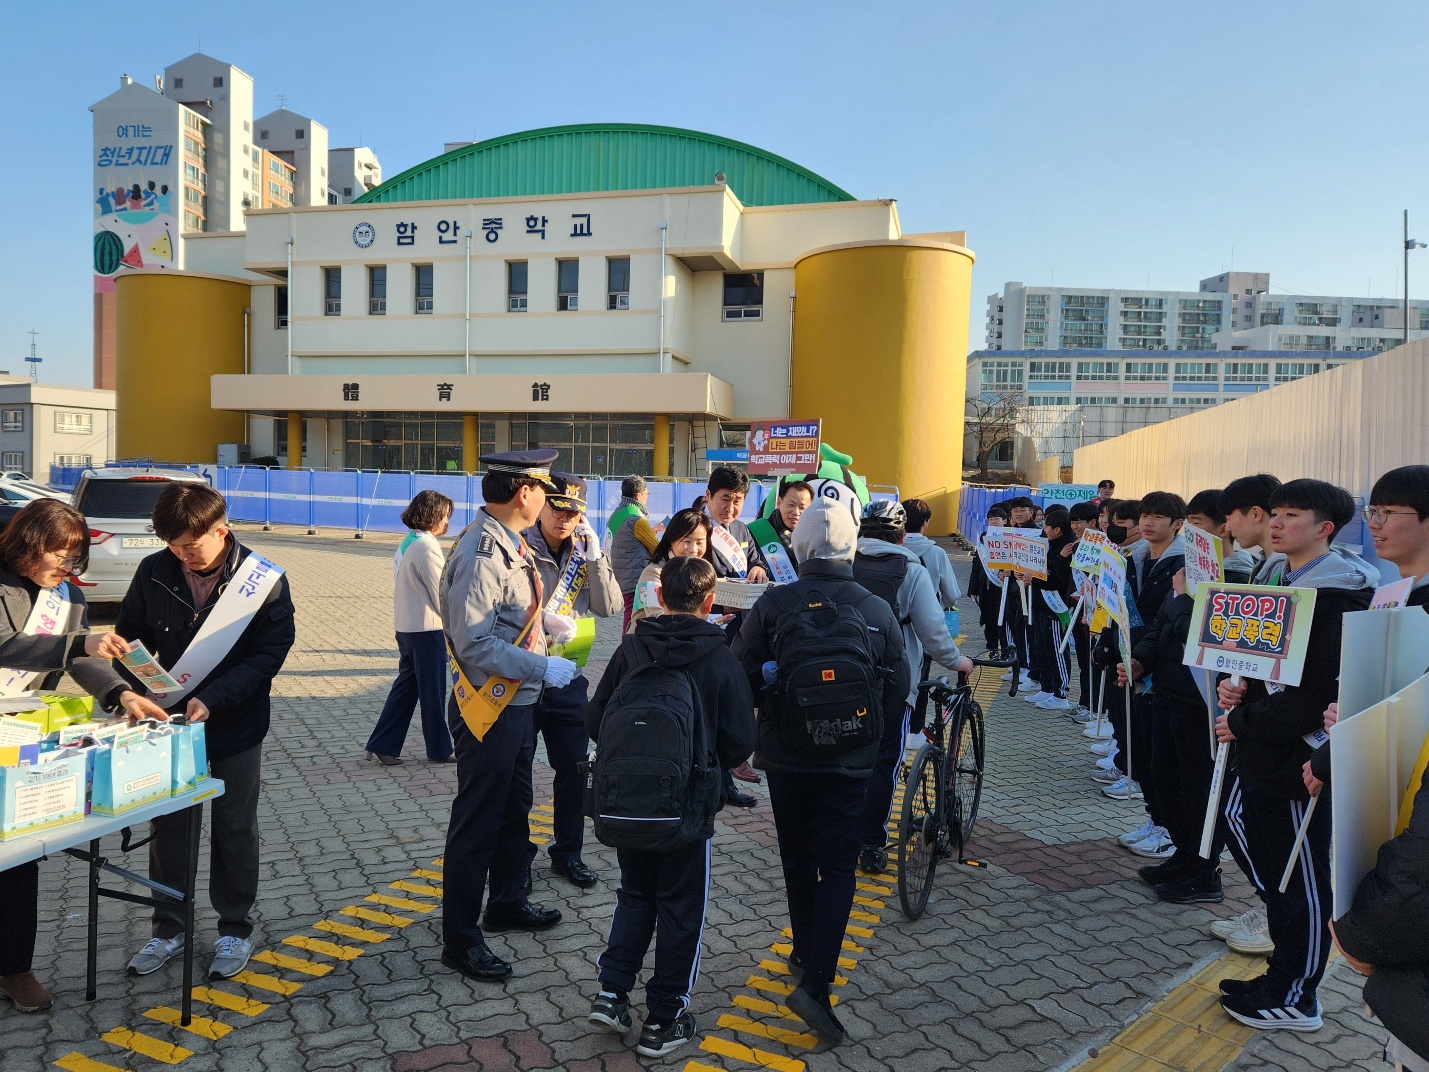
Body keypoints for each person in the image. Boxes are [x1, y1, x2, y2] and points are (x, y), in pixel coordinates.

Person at [733, 498, 909, 1047]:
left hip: (786, 752)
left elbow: (739, 673)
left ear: (800, 545)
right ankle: (817, 981)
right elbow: (898, 687)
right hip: (850, 757)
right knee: (838, 865)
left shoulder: (772, 604)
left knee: (795, 853)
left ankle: (803, 946)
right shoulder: (873, 606)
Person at [1214, 478, 1376, 1031]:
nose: (1277, 523)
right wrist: (1234, 686)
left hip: (1297, 759)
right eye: (1275, 513)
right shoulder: (1274, 576)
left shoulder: (1341, 595)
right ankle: (1282, 971)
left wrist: (1240, 719)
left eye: (1291, 515)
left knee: (1299, 877)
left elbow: (1314, 695)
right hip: (1262, 747)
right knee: (1274, 868)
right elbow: (1253, 660)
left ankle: (1298, 993)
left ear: (1325, 528)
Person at [118, 483, 296, 981]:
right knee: (169, 829)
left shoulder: (262, 580)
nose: (183, 556)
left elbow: (270, 654)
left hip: (234, 722)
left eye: (192, 547)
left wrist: (214, 698)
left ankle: (235, 930)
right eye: (174, 547)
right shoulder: (154, 570)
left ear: (222, 530)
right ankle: (167, 929)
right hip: (170, 722)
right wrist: (139, 683)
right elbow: (134, 634)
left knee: (235, 827)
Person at [584, 556, 756, 1057]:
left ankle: (613, 992)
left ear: (661, 598)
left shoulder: (633, 647)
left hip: (629, 802)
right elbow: (739, 742)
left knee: (636, 893)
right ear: (709, 601)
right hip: (687, 808)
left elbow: (597, 720)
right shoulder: (720, 655)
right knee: (681, 907)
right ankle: (665, 1018)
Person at [0, 500, 162, 1012]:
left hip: (21, 737)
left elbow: (81, 660)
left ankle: (13, 968)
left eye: (73, 558)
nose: (65, 567)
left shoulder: (67, 593)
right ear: (27, 544)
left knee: (18, 854)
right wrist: (78, 644)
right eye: (56, 554)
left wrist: (122, 695)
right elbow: (7, 644)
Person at [438, 450, 577, 983]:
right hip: (489, 708)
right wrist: (541, 666)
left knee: (514, 810)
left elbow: (504, 614)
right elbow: (473, 641)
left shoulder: (507, 544)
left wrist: (547, 621)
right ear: (525, 492)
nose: (547, 499)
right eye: (544, 489)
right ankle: (461, 938)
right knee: (477, 822)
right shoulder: (482, 552)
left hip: (514, 703)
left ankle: (507, 901)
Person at [852, 499, 971, 874]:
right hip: (894, 680)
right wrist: (957, 661)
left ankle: (834, 832)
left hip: (842, 677)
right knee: (884, 761)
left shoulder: (840, 562)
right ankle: (871, 842)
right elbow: (933, 632)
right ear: (902, 536)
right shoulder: (911, 569)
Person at [522, 474, 621, 888]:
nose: (565, 518)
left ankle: (568, 853)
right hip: (523, 678)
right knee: (517, 774)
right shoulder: (519, 544)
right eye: (558, 508)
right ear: (541, 505)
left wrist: (597, 559)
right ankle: (516, 860)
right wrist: (541, 616)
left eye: (574, 511)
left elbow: (609, 606)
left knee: (574, 771)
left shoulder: (585, 552)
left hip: (570, 677)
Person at [364, 489, 455, 766]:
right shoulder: (427, 547)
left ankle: (382, 743)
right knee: (433, 693)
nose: (446, 522)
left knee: (406, 690)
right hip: (427, 629)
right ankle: (439, 749)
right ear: (432, 516)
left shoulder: (408, 542)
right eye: (444, 516)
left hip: (406, 627)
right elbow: (441, 594)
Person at [1020, 504, 1076, 712]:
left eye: (1046, 526)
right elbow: (1042, 570)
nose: (1043, 530)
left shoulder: (1068, 546)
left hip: (1055, 607)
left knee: (1057, 650)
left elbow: (1058, 579)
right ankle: (1047, 687)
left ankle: (1061, 693)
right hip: (1041, 604)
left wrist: (1037, 577)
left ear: (1058, 529)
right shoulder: (1049, 543)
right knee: (1041, 649)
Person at [608, 475, 660, 632]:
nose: (647, 498)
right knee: (634, 617)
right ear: (638, 495)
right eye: (647, 494)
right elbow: (657, 549)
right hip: (636, 577)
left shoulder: (618, 513)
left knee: (631, 614)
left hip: (621, 573)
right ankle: (628, 650)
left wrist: (653, 531)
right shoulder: (637, 519)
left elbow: (629, 542)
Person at [748, 478, 812, 583]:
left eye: (802, 507)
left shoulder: (815, 539)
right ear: (779, 502)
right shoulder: (754, 532)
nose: (796, 512)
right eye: (791, 505)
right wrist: (758, 568)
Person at [901, 497, 961, 609]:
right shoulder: (937, 552)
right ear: (925, 522)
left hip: (895, 618)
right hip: (927, 615)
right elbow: (952, 595)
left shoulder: (891, 549)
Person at [968, 503, 1011, 657]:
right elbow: (977, 566)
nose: (993, 522)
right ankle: (992, 648)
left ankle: (1006, 651)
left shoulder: (1010, 539)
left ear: (1005, 521)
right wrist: (972, 588)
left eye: (997, 519)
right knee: (989, 619)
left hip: (1004, 587)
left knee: (1004, 620)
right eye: (990, 519)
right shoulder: (983, 540)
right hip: (986, 587)